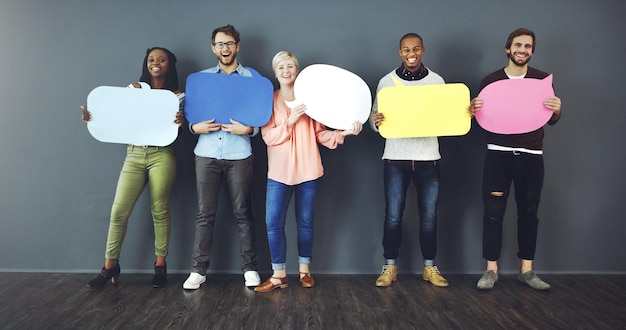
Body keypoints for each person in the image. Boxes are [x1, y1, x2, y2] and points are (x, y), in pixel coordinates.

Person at [254, 51, 362, 292]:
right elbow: (268, 136)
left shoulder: (310, 100)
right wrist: (289, 122)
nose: (285, 70)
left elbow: (319, 134)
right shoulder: (269, 100)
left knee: (305, 222)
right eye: (281, 66)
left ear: (296, 69)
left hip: (309, 171)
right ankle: (278, 274)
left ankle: (305, 271)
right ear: (275, 71)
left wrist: (342, 133)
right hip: (279, 173)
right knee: (273, 223)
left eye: (290, 66)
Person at [83, 47, 185, 288]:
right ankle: (110, 266)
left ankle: (160, 265)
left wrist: (182, 120)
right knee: (118, 212)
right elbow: (116, 115)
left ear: (170, 65)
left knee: (159, 210)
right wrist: (92, 117)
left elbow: (178, 125)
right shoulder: (134, 90)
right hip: (134, 154)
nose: (156, 63)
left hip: (162, 155)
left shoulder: (177, 95)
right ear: (146, 64)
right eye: (151, 59)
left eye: (161, 59)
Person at [468, 28, 562, 290]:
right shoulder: (491, 81)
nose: (523, 50)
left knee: (529, 212)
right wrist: (472, 112)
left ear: (532, 51)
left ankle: (527, 271)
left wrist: (557, 111)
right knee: (493, 213)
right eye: (518, 45)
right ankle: (491, 270)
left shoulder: (542, 81)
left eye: (528, 46)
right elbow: (482, 121)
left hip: (532, 156)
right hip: (498, 154)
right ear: (508, 48)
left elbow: (549, 120)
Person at [183, 24, 261, 290]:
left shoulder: (252, 78)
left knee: (243, 213)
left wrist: (249, 129)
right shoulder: (200, 79)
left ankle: (250, 269)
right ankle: (198, 270)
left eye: (229, 43)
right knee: (205, 214)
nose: (225, 48)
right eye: (220, 44)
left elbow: (261, 118)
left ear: (237, 46)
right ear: (213, 48)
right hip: (205, 154)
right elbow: (189, 118)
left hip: (240, 154)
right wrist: (195, 128)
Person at [370, 33, 449, 288]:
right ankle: (390, 267)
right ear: (400, 52)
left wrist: (463, 112)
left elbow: (446, 115)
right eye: (406, 49)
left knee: (429, 216)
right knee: (393, 216)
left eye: (415, 49)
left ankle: (430, 267)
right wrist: (375, 122)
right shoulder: (386, 82)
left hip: (428, 157)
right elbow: (375, 117)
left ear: (423, 50)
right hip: (395, 157)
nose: (411, 53)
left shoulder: (437, 81)